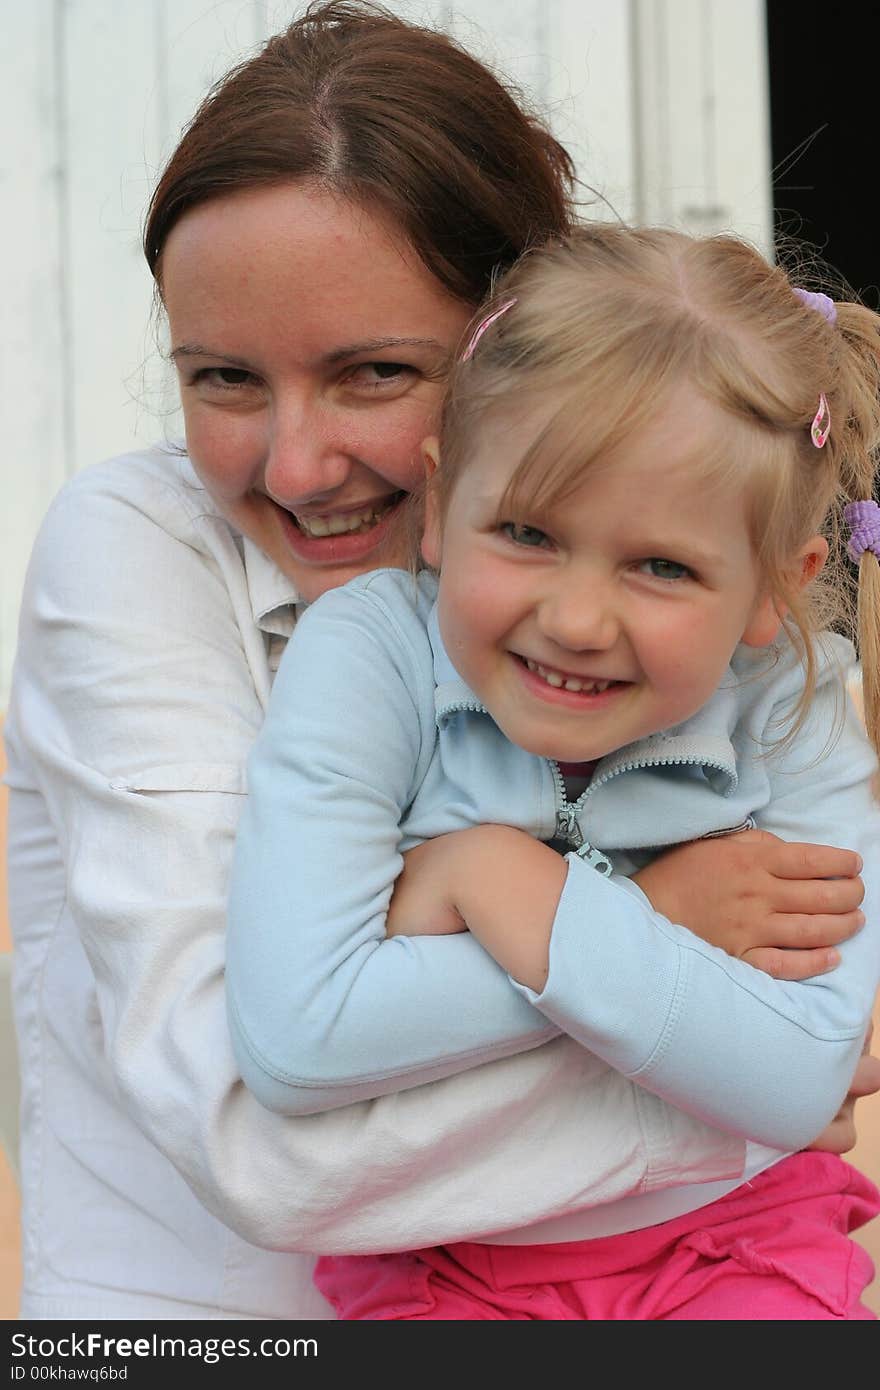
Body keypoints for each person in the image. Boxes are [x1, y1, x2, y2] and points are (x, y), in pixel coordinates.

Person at [4, 0, 876, 1322]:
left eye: (370, 373)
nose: (293, 464)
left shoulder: (722, 642)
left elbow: (815, 1055)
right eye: (223, 378)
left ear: (514, 348)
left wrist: (495, 914)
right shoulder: (134, 545)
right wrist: (660, 939)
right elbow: (266, 1141)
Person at [226, 225, 880, 1319]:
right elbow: (300, 1035)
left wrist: (490, 880)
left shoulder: (789, 690)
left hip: (736, 1241)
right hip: (442, 1255)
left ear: (777, 582)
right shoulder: (370, 654)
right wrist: (661, 911)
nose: (576, 619)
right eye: (526, 532)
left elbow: (805, 1074)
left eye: (661, 565)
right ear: (440, 504)